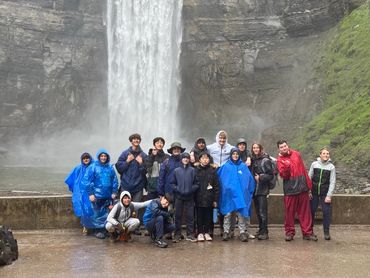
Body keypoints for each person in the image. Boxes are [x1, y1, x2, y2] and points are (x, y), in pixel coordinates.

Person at [276, 140, 317, 241]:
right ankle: (289, 233)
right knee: (289, 213)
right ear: (279, 149)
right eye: (281, 147)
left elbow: (303, 170)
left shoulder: (296, 154)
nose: (284, 148)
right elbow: (283, 175)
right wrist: (286, 166)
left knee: (305, 213)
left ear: (287, 145)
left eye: (285, 146)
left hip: (302, 188)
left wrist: (309, 187)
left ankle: (307, 233)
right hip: (290, 190)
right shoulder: (279, 160)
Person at [217, 148, 256, 242]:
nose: (235, 155)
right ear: (231, 155)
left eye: (237, 154)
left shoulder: (243, 167)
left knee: (241, 213)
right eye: (233, 154)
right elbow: (219, 180)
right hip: (228, 195)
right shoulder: (225, 167)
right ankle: (226, 231)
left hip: (241, 195)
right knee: (228, 213)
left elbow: (250, 180)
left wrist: (248, 192)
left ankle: (242, 232)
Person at [82, 149, 119, 239]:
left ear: (107, 157)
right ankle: (97, 230)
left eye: (105, 156)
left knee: (106, 213)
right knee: (97, 213)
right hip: (97, 195)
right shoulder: (93, 167)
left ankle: (104, 229)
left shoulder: (110, 167)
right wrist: (91, 193)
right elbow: (86, 181)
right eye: (101, 156)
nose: (103, 158)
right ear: (99, 157)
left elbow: (114, 180)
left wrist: (114, 191)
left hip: (107, 194)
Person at [116, 133, 147, 235]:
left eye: (138, 139)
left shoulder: (143, 155)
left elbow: (145, 171)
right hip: (126, 185)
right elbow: (119, 168)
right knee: (123, 206)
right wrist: (127, 161)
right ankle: (122, 226)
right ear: (131, 141)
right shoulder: (125, 154)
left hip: (138, 186)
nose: (136, 140)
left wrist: (141, 163)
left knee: (136, 207)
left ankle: (135, 227)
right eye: (134, 139)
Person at [308, 147, 336, 240]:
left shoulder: (331, 167)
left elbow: (332, 181)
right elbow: (309, 177)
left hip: (325, 193)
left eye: (327, 154)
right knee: (311, 211)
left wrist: (329, 195)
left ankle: (326, 232)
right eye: (324, 153)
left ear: (329, 155)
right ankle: (310, 231)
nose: (326, 155)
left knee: (326, 212)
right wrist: (309, 191)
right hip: (314, 192)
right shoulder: (314, 164)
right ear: (320, 155)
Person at [171, 152, 199, 243]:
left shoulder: (192, 170)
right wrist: (177, 189)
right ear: (181, 159)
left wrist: (191, 189)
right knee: (177, 216)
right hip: (179, 196)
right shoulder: (176, 170)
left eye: (187, 158)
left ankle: (190, 234)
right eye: (184, 158)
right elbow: (172, 183)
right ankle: (177, 234)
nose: (185, 159)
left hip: (190, 197)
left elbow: (197, 183)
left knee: (190, 216)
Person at [64, 152, 94, 235]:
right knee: (83, 209)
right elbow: (71, 179)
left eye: (87, 157)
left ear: (90, 158)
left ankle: (94, 227)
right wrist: (76, 190)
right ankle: (85, 227)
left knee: (91, 208)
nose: (86, 159)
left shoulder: (94, 167)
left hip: (91, 192)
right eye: (84, 158)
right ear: (82, 160)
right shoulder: (78, 168)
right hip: (81, 192)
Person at [194, 152, 220, 242]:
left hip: (209, 197)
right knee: (199, 216)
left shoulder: (212, 171)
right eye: (203, 158)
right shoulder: (195, 170)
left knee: (208, 216)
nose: (205, 160)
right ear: (200, 159)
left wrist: (216, 199)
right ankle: (200, 233)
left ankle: (207, 232)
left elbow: (216, 186)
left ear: (209, 160)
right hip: (198, 197)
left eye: (207, 158)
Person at [251, 143, 274, 240]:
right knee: (258, 211)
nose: (256, 149)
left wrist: (260, 177)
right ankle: (261, 230)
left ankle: (265, 232)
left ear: (261, 149)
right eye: (254, 148)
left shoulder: (265, 160)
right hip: (255, 190)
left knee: (262, 212)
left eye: (257, 148)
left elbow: (271, 175)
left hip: (263, 190)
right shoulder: (253, 159)